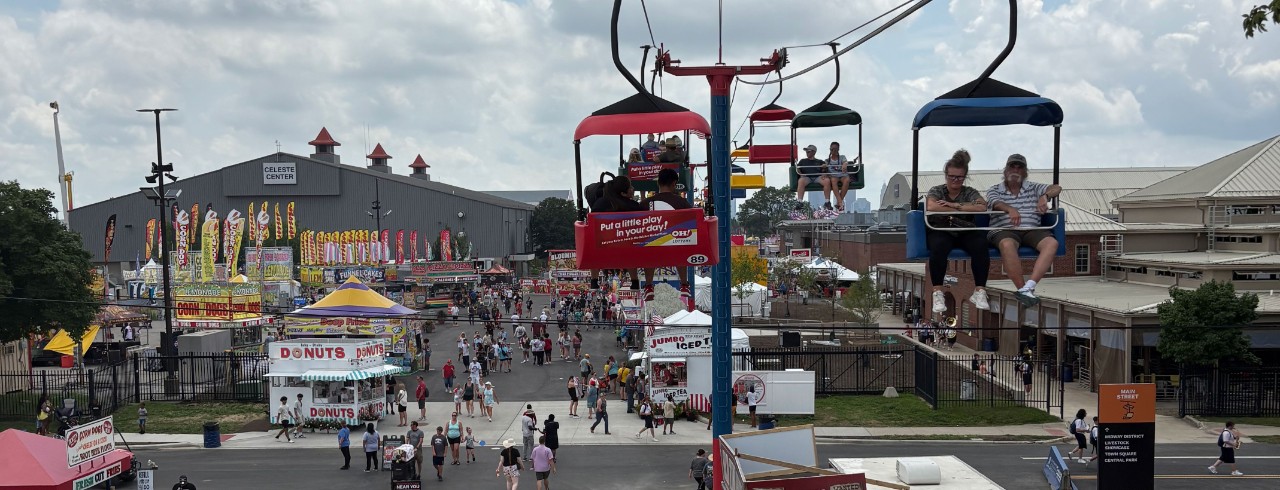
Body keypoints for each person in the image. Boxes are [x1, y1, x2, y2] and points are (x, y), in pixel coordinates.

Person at [986, 153, 1062, 306]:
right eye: (1012, 166)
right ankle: (1022, 289)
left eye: (1019, 167)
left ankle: (1029, 286)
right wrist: (1010, 209)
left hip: (1031, 229)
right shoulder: (995, 189)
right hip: (1004, 229)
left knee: (1052, 243)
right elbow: (995, 203)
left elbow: (1057, 188)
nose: (1015, 170)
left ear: (1025, 171)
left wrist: (1045, 196)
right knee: (1007, 245)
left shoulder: (1034, 187)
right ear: (1005, 170)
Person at [925, 149, 991, 314]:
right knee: (939, 246)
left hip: (964, 229)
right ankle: (938, 292)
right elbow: (931, 205)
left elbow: (982, 206)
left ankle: (980, 290)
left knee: (981, 244)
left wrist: (954, 206)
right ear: (946, 175)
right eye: (952, 176)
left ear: (964, 177)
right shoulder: (937, 190)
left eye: (959, 177)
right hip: (942, 229)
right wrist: (967, 208)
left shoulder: (969, 192)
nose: (955, 180)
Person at [827, 141, 856, 211]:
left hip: (843, 174)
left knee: (847, 180)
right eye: (832, 149)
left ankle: (839, 202)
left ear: (838, 150)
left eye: (835, 149)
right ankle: (840, 202)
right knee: (833, 180)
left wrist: (845, 164)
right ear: (830, 149)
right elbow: (825, 168)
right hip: (834, 176)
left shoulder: (842, 157)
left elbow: (845, 162)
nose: (833, 151)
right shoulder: (827, 160)